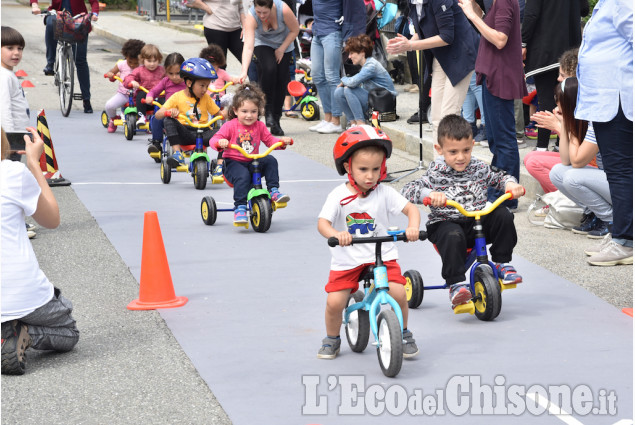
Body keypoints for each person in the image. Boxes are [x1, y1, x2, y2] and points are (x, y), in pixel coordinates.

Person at [317, 125, 420, 359]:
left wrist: (412, 227)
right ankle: (332, 338)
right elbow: (323, 223)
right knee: (335, 302)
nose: (370, 176)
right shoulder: (338, 195)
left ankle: (403, 333)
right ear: (347, 167)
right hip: (348, 258)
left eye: (376, 169)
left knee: (399, 294)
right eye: (363, 169)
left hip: (382, 255)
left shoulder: (384, 192)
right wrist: (336, 234)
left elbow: (410, 209)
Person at [401, 115, 525, 307]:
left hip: (476, 221)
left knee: (503, 215)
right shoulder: (436, 171)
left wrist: (510, 184)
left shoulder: (478, 167)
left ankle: (502, 263)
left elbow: (499, 177)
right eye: (453, 152)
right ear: (439, 149)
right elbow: (408, 189)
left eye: (466, 150)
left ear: (472, 145)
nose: (461, 157)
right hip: (445, 224)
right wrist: (430, 193)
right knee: (453, 234)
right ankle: (456, 284)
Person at [1, 128, 80, 375]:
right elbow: (52, 219)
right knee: (69, 333)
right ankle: (18, 334)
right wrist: (34, 164)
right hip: (20, 292)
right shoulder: (12, 173)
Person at [575, 0, 633, 266]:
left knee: (621, 172)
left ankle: (625, 240)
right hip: (606, 99)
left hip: (618, 98)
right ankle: (621, 233)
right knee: (616, 170)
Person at [458, 0, 527, 211]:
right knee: (497, 139)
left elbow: (499, 39)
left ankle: (507, 196)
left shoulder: (505, 1)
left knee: (503, 140)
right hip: (494, 75)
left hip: (501, 76)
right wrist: (473, 8)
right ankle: (498, 190)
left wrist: (472, 15)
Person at [386, 0, 479, 145]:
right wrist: (404, 43)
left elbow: (447, 36)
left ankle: (449, 163)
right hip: (441, 57)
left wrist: (410, 45)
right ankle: (438, 164)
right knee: (436, 117)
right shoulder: (413, 3)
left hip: (461, 55)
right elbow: (422, 32)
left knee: (448, 115)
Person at [534, 78, 612, 239]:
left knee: (572, 177)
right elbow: (565, 160)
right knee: (557, 172)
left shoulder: (596, 120)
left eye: (559, 101)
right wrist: (564, 126)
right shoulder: (584, 120)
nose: (556, 106)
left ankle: (611, 220)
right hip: (611, 180)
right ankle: (594, 213)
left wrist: (562, 126)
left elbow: (577, 161)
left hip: (623, 183)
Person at [210, 83, 292, 224]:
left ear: (259, 111)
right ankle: (240, 207)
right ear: (235, 111)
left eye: (253, 112)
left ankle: (273, 190)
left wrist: (281, 143)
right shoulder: (230, 125)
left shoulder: (259, 126)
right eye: (245, 111)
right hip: (233, 164)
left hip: (252, 162)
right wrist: (220, 142)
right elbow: (214, 139)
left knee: (270, 160)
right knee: (243, 176)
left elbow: (269, 140)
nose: (249, 115)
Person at [521, 0, 589, 151]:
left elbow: (531, 14)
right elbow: (584, 9)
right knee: (568, 99)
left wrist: (523, 42)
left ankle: (541, 147)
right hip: (571, 48)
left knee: (545, 100)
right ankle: (561, 145)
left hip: (545, 49)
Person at [239, 0, 300, 137]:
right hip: (262, 43)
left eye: (264, 12)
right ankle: (267, 111)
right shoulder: (252, 16)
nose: (261, 15)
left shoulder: (283, 9)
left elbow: (295, 30)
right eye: (258, 11)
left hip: (284, 44)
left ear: (271, 7)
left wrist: (282, 49)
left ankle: (276, 120)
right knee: (269, 68)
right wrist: (244, 70)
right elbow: (248, 46)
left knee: (282, 80)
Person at [523, 48, 579, 197]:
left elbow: (573, 159)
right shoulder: (571, 100)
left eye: (562, 75)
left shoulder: (585, 106)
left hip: (586, 166)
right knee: (530, 158)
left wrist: (559, 127)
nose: (559, 79)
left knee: (539, 164)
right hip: (576, 161)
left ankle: (567, 202)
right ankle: (554, 202)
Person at [30, 0, 99, 113]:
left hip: (78, 21)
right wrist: (34, 5)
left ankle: (86, 99)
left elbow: (94, 2)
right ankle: (50, 63)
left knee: (80, 61)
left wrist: (95, 13)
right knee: (51, 23)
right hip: (58, 17)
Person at [155, 58, 220, 167]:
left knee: (225, 131)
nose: (205, 90)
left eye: (207, 86)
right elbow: (158, 115)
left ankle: (220, 165)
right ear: (189, 83)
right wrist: (169, 111)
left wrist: (231, 113)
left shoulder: (206, 98)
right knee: (169, 120)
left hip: (204, 132)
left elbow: (220, 115)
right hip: (185, 132)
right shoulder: (177, 97)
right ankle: (177, 153)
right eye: (202, 86)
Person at [334, 34, 397, 127]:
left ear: (362, 52)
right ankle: (352, 123)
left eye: (352, 53)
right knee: (338, 92)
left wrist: (343, 80)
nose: (349, 57)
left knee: (349, 89)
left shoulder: (371, 66)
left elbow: (352, 82)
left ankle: (360, 123)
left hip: (383, 103)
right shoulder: (366, 65)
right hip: (374, 100)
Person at [306, 0, 344, 135]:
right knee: (317, 75)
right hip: (317, 32)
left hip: (332, 32)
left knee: (332, 76)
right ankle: (327, 118)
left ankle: (336, 121)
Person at [145, 52, 186, 154]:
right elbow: (154, 91)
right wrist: (150, 96)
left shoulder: (188, 82)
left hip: (185, 113)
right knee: (156, 119)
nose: (174, 77)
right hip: (168, 113)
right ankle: (156, 143)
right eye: (170, 73)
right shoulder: (166, 81)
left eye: (178, 73)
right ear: (166, 71)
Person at [103, 39, 145, 134]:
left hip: (138, 95)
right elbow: (112, 73)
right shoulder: (121, 64)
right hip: (123, 94)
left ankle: (147, 121)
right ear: (126, 56)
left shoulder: (143, 66)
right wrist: (110, 75)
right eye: (130, 62)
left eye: (136, 63)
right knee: (109, 105)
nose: (133, 65)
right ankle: (113, 119)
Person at [185, 0, 245, 66]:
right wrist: (207, 9)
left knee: (249, 61)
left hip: (236, 28)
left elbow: (241, 7)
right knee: (220, 65)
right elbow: (191, 1)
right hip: (215, 28)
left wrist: (245, 27)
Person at [122, 44, 165, 127]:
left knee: (166, 100)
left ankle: (163, 119)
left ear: (159, 60)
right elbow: (128, 78)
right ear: (143, 60)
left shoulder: (162, 70)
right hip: (145, 101)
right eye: (149, 61)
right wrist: (132, 81)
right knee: (140, 95)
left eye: (154, 61)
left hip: (158, 98)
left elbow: (170, 79)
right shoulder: (139, 70)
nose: (152, 64)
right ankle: (142, 117)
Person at [1, 27, 30, 133]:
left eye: (20, 48)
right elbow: (3, 110)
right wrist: (9, 141)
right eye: (10, 48)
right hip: (12, 139)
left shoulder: (8, 73)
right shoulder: (4, 76)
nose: (16, 52)